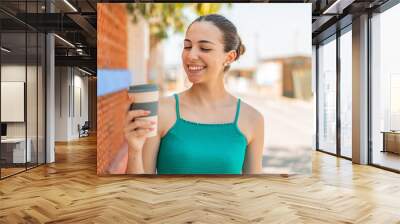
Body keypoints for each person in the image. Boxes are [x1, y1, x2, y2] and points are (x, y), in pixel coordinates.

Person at [124, 14, 264, 174]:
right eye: (187, 46)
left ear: (229, 57)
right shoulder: (161, 111)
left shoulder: (253, 119)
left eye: (204, 48)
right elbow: (138, 191)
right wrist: (134, 150)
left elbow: (253, 192)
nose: (190, 55)